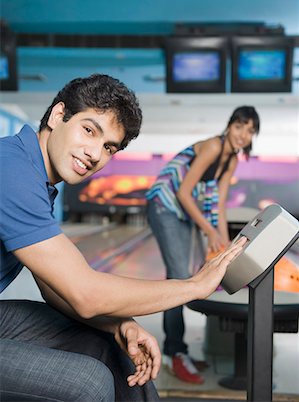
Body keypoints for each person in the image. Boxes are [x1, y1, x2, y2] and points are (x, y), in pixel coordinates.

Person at [0, 74, 247, 402]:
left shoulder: (35, 178)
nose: (94, 154)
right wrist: (194, 286)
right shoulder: (11, 169)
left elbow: (56, 289)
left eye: (108, 148)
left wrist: (120, 326)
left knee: (114, 350)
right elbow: (84, 293)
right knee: (88, 382)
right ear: (58, 115)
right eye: (89, 130)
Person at [146, 105, 260, 384]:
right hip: (164, 204)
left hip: (182, 211)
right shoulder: (211, 146)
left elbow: (219, 206)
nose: (243, 135)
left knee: (184, 273)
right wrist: (209, 231)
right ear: (229, 125)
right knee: (178, 275)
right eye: (239, 126)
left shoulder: (230, 160)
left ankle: (178, 348)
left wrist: (225, 244)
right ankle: (174, 353)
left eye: (250, 131)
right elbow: (185, 193)